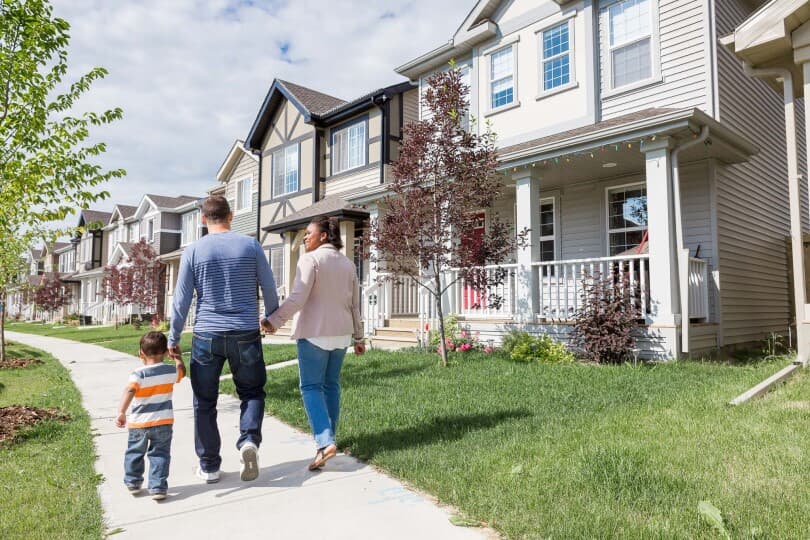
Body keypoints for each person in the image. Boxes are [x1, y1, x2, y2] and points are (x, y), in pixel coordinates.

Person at [168, 195, 278, 483]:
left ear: (203, 219)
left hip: (206, 334)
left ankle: (209, 465)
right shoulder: (251, 246)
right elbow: (269, 287)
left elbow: (181, 300)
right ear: (230, 215)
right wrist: (271, 319)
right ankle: (249, 441)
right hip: (245, 333)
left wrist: (173, 337)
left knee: (204, 401)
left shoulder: (193, 251)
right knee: (252, 392)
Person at [262, 215, 365, 471]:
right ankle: (327, 441)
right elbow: (355, 305)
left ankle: (325, 441)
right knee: (331, 386)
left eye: (309, 232)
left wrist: (273, 320)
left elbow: (298, 298)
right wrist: (360, 337)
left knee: (310, 387)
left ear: (324, 236)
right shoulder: (348, 264)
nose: (305, 237)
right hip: (342, 334)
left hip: (315, 334)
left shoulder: (311, 259)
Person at [116, 331, 185, 501]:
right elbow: (181, 371)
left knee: (134, 452)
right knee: (160, 454)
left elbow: (130, 389)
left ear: (141, 353)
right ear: (166, 353)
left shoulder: (138, 374)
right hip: (163, 422)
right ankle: (158, 487)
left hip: (139, 423)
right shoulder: (170, 371)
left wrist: (121, 412)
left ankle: (133, 482)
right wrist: (177, 357)